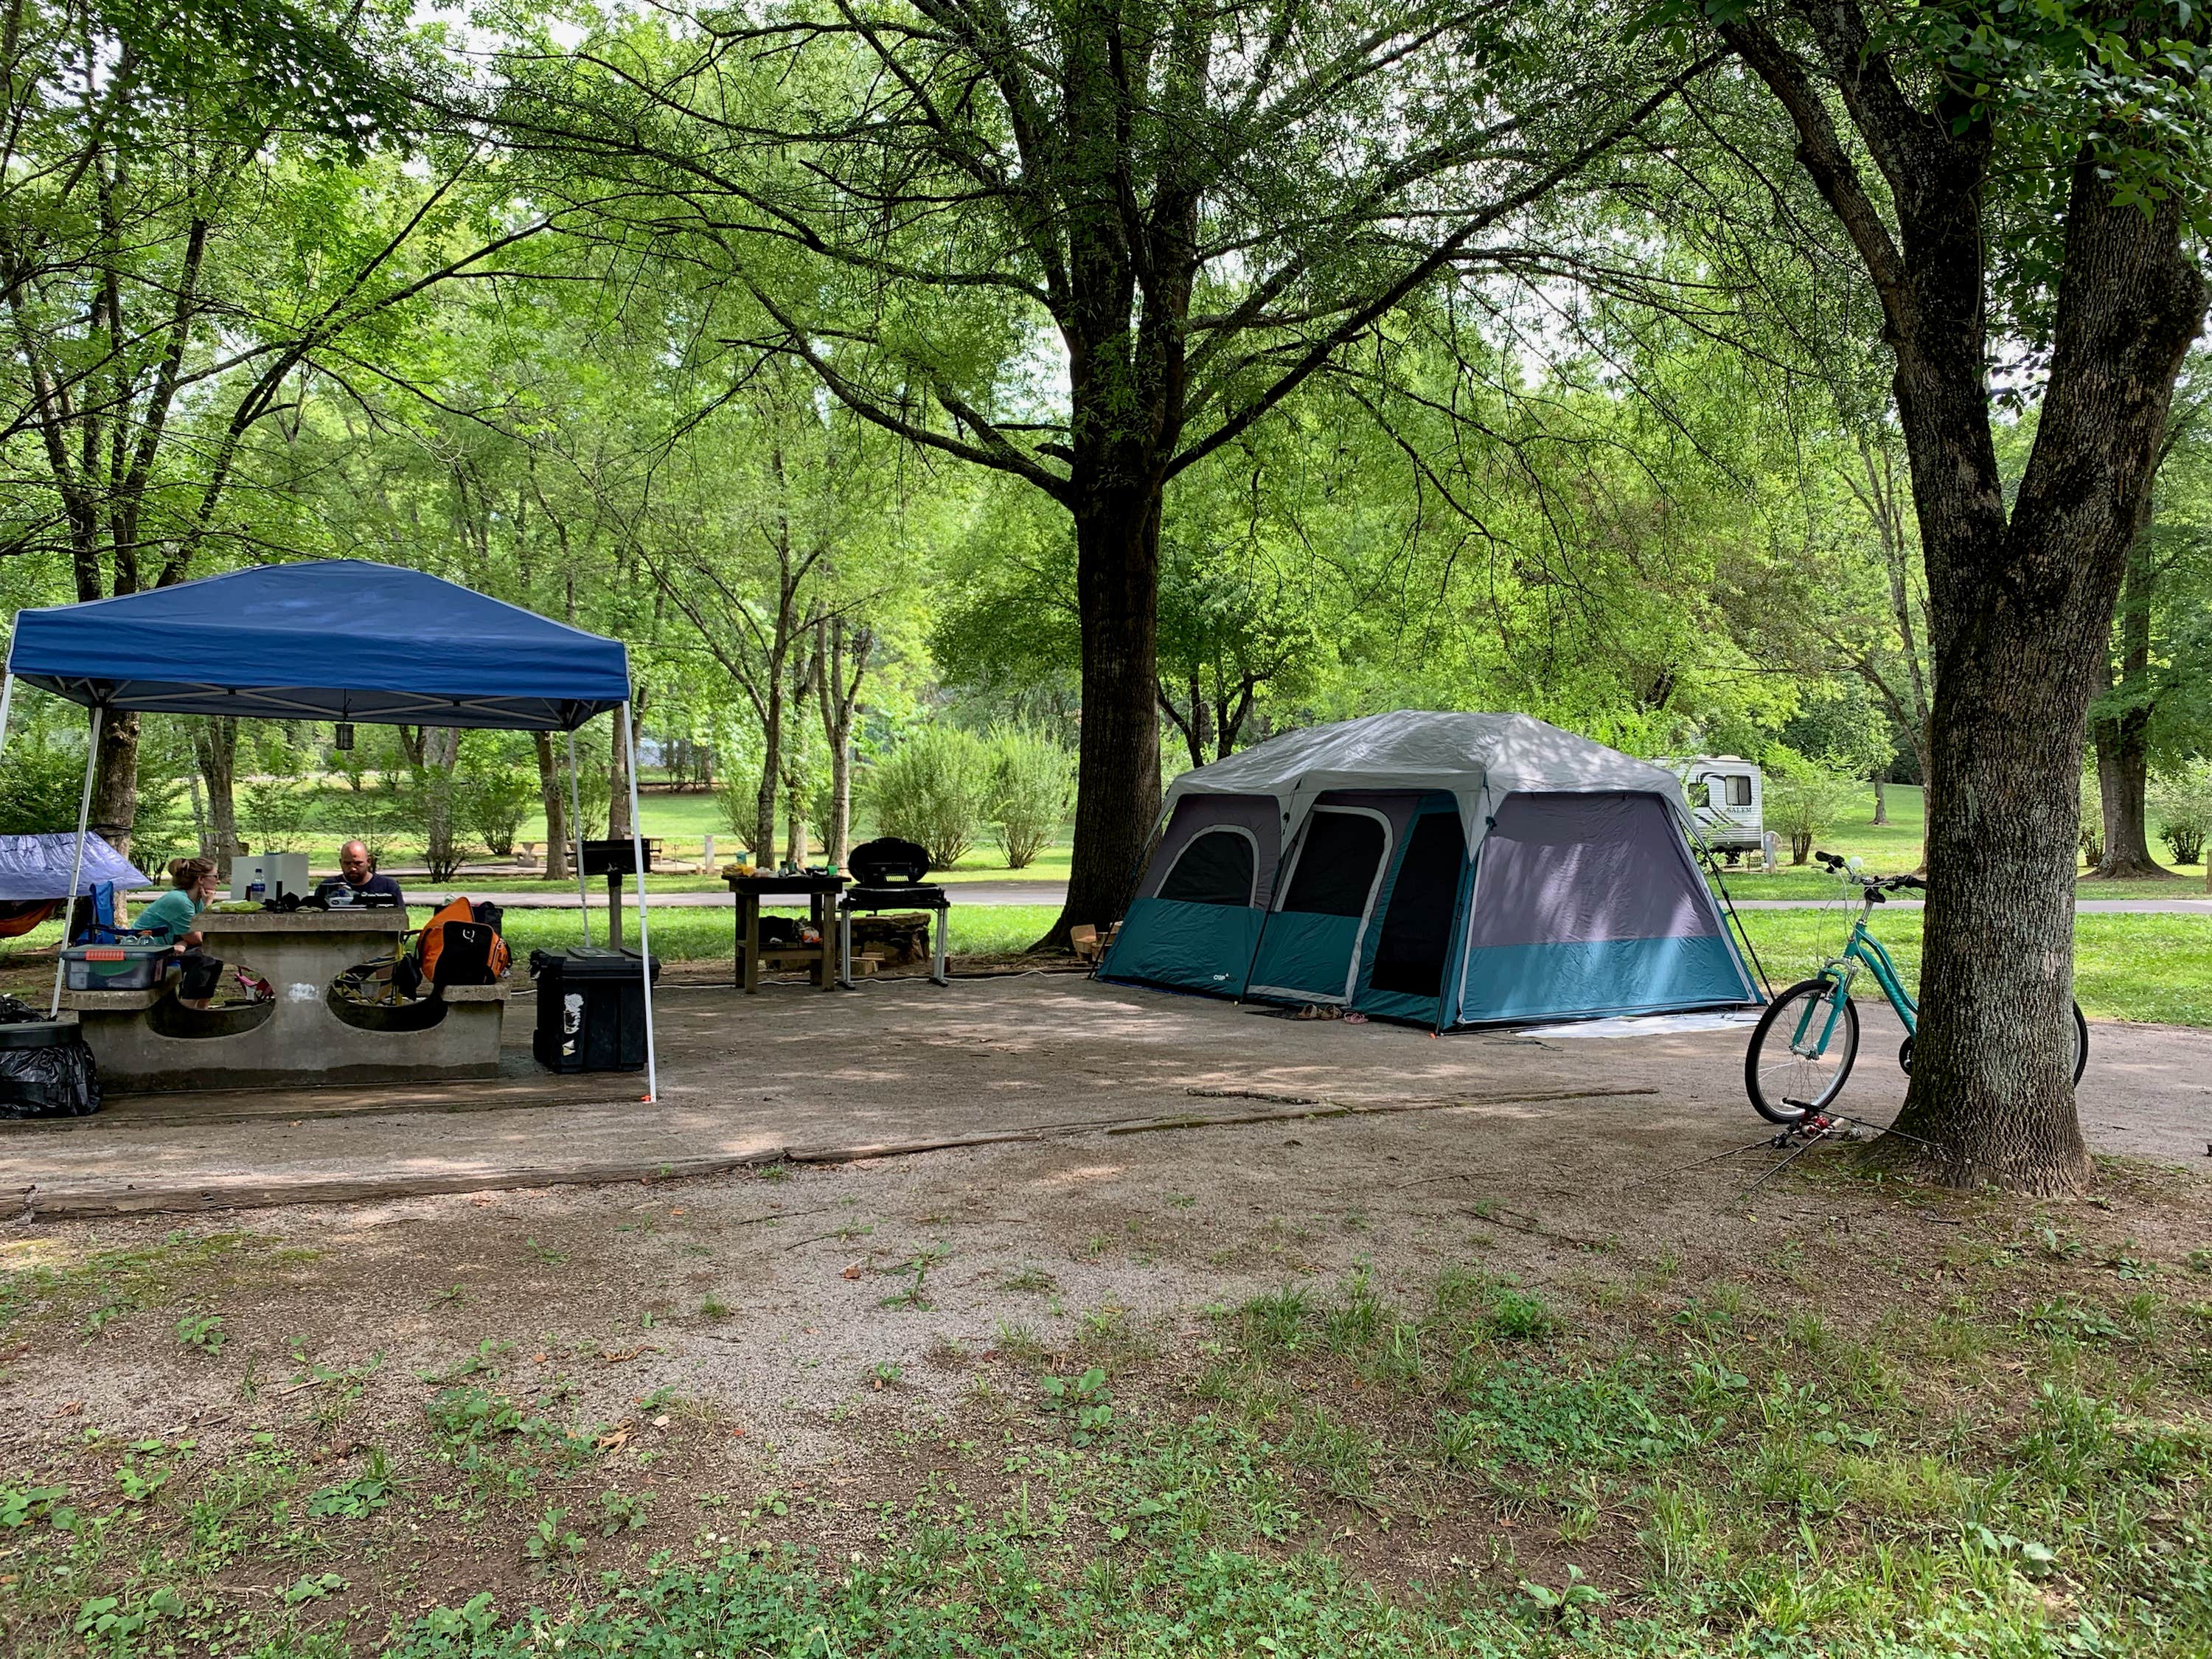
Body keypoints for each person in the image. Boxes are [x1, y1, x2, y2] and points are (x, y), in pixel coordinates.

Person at [136, 857, 224, 1007]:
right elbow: (199, 938)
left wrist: (184, 941)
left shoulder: (193, 900)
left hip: (166, 946)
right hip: (147, 950)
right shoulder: (179, 901)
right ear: (201, 879)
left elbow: (199, 934)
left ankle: (202, 1009)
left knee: (216, 956)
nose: (218, 881)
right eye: (215, 876)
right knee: (205, 956)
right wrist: (208, 905)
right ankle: (187, 1007)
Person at [335, 841, 404, 905]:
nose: (353, 868)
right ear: (340, 862)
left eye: (358, 863)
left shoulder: (388, 886)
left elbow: (400, 916)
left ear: (369, 862)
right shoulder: (329, 887)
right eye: (347, 863)